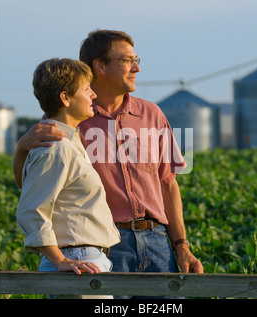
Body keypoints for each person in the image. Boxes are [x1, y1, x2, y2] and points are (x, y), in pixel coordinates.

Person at [13, 30, 203, 292]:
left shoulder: (152, 114)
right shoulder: (67, 124)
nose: (136, 67)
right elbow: (32, 191)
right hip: (103, 244)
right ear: (99, 66)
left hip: (157, 240)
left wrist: (181, 245)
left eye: (137, 60)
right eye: (126, 61)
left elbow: (167, 184)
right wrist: (21, 149)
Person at [15, 58, 120, 298]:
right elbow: (31, 210)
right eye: (86, 89)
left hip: (81, 260)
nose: (93, 95)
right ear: (65, 98)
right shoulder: (57, 147)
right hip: (76, 263)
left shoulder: (68, 142)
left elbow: (29, 189)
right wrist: (60, 260)